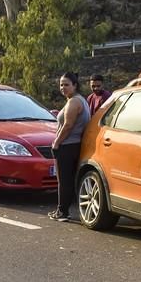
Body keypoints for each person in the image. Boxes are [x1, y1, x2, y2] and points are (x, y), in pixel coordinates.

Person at [49, 72, 91, 222]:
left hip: (67, 145)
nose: (63, 88)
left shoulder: (74, 102)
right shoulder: (81, 100)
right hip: (74, 144)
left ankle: (62, 211)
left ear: (75, 85)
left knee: (63, 180)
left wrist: (57, 142)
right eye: (61, 84)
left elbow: (67, 125)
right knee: (68, 179)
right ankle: (64, 209)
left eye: (67, 84)